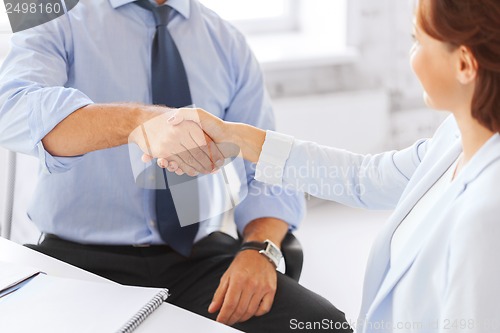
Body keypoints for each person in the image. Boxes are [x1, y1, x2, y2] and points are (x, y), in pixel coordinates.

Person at [0, 0, 351, 332]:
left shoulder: (226, 42)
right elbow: (12, 110)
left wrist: (261, 250)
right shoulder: (58, 17)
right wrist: (135, 121)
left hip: (196, 258)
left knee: (325, 326)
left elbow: (268, 172)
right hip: (76, 262)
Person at [164, 0, 500, 331]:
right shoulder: (453, 139)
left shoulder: (486, 216)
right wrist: (235, 137)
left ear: (465, 65)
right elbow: (362, 179)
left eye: (417, 40)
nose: (410, 58)